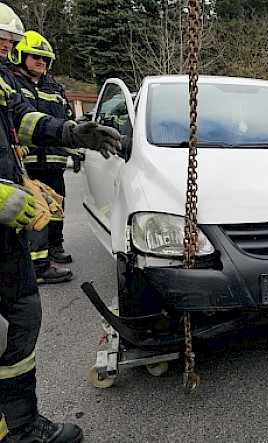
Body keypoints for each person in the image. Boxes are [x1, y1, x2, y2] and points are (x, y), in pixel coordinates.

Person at [0, 3, 122, 442]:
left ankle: (18, 425)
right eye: (4, 41)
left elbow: (20, 119)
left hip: (11, 216)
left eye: (12, 44)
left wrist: (71, 133)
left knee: (20, 318)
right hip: (6, 208)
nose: (8, 50)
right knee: (13, 322)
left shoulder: (4, 82)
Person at [8, 30, 75, 284]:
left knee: (56, 205)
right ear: (20, 56)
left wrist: (75, 152)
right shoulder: (13, 85)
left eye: (45, 59)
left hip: (54, 160)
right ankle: (37, 263)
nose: (41, 63)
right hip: (27, 161)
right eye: (36, 57)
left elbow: (66, 120)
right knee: (34, 209)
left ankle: (54, 248)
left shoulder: (55, 87)